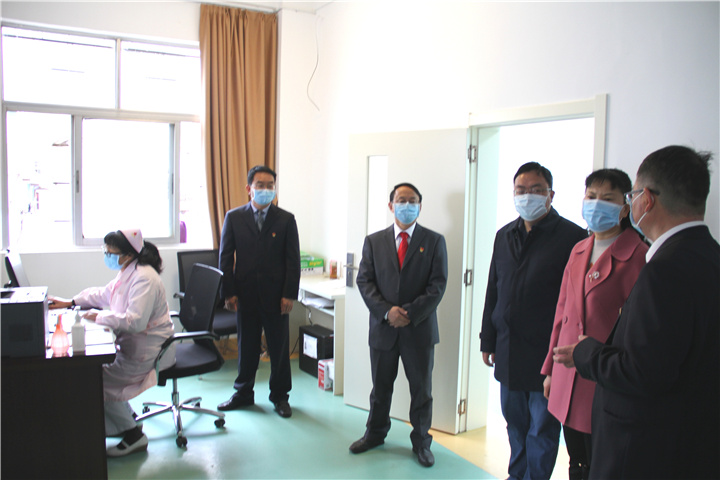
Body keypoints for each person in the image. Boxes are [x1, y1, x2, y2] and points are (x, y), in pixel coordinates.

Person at [554, 146, 720, 479]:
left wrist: (587, 352)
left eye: (630, 196)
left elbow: (643, 371)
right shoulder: (710, 256)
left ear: (647, 200)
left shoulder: (662, 269)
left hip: (646, 446)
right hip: (693, 442)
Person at [480, 162, 587, 480]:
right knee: (515, 426)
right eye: (521, 190)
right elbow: (493, 289)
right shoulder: (504, 235)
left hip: (547, 353)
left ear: (551, 194)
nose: (528, 196)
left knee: (542, 430)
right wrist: (488, 339)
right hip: (508, 349)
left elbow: (576, 303)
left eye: (536, 190)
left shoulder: (573, 237)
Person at [540, 169, 648, 480]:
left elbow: (637, 329)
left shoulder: (639, 256)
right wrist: (550, 368)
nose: (597, 204)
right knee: (576, 460)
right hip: (567, 373)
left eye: (607, 199)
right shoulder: (578, 249)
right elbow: (562, 313)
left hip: (604, 379)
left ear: (624, 207)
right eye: (591, 196)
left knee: (602, 463)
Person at [49, 229, 176, 457]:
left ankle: (133, 436)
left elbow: (135, 322)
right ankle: (129, 422)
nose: (107, 255)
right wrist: (71, 302)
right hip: (134, 347)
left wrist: (99, 316)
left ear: (128, 254)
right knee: (95, 374)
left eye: (111, 252)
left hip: (149, 352)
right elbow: (103, 294)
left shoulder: (144, 278)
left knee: (93, 379)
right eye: (105, 251)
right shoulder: (128, 271)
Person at [349, 182, 448, 468]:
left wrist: (408, 313)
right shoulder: (374, 241)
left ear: (420, 205)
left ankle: (422, 443)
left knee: (421, 391)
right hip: (384, 330)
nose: (407, 205)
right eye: (401, 200)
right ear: (391, 205)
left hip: (419, 330)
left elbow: (437, 285)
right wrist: (386, 312)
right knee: (380, 389)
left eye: (412, 200)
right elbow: (364, 281)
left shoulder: (434, 241)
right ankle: (375, 434)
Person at [217, 165, 301, 418]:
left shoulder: (286, 219)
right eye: (260, 185)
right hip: (245, 295)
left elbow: (293, 261)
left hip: (277, 297)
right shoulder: (234, 217)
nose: (266, 190)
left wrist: (289, 294)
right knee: (247, 347)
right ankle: (243, 393)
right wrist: (228, 292)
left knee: (279, 349)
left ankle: (280, 396)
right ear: (249, 188)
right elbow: (225, 257)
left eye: (270, 186)